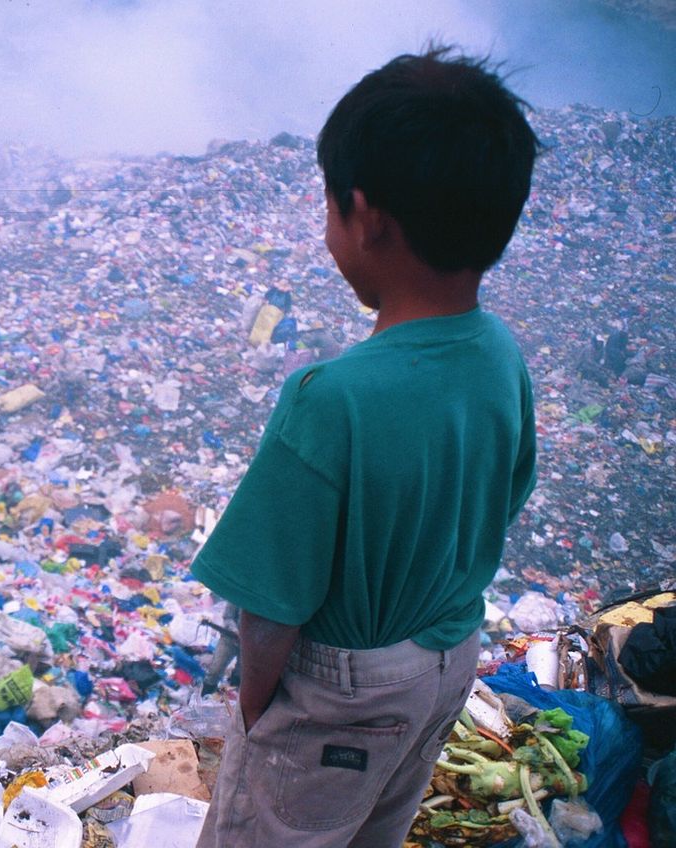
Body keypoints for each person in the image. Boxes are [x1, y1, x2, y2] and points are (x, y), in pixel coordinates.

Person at [191, 47, 539, 847]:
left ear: (365, 215)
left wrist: (259, 715)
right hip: (447, 664)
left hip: (341, 695)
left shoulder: (331, 397)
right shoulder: (500, 352)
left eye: (327, 207)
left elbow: (270, 614)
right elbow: (503, 497)